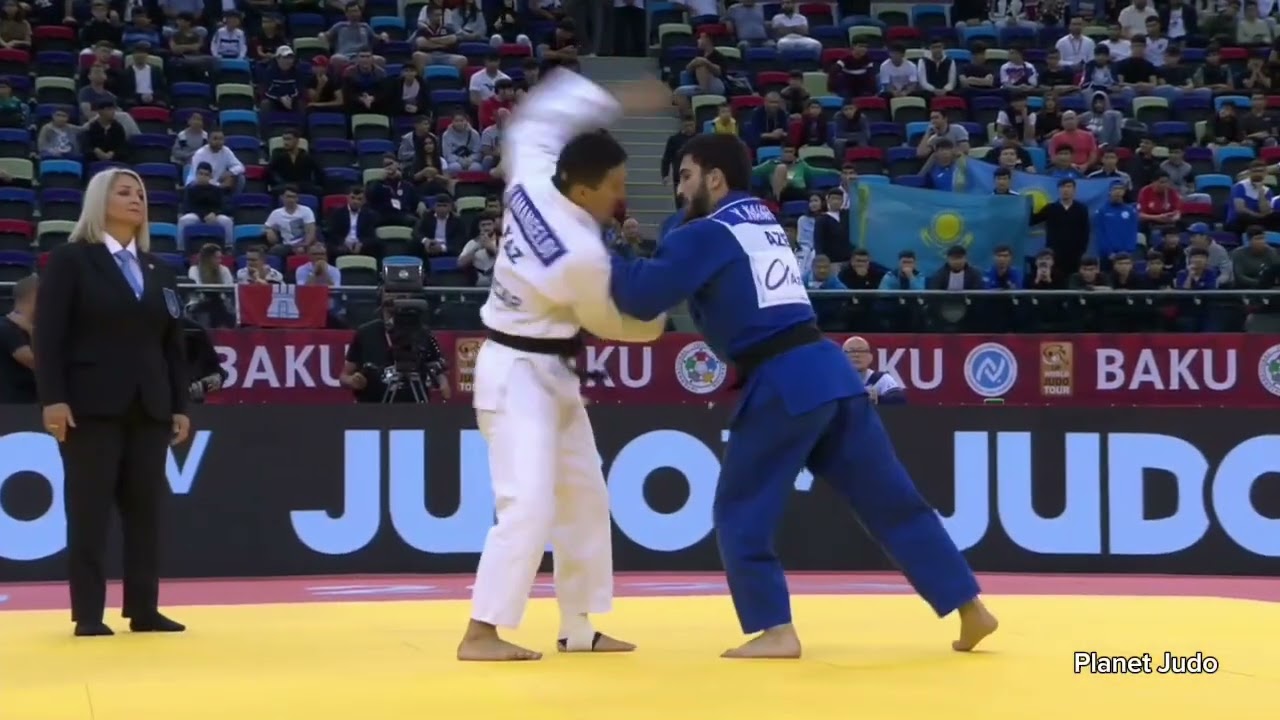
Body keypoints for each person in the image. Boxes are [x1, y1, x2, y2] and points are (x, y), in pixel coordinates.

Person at [608, 133, 997, 658]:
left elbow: (641, 295)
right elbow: (685, 237)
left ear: (714, 179)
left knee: (740, 510)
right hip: (831, 372)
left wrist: (596, 250)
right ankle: (970, 606)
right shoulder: (760, 219)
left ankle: (775, 629)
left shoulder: (707, 232)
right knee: (892, 502)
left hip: (782, 381)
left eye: (686, 177)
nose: (679, 191)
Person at [457, 69, 670, 662]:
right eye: (614, 187)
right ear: (581, 191)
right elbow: (610, 324)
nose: (620, 197)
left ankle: (578, 626)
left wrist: (615, 99)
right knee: (526, 503)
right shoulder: (579, 253)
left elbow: (539, 120)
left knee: (584, 496)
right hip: (515, 373)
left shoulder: (533, 174)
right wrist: (658, 322)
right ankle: (480, 632)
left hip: (551, 373)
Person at [34, 168, 191, 637]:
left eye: (140, 193)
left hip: (150, 407)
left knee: (145, 512)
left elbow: (173, 345)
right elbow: (49, 336)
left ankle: (144, 609)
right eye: (124, 192)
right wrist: (53, 399)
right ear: (100, 201)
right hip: (89, 406)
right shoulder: (71, 260)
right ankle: (88, 614)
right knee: (89, 512)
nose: (136, 199)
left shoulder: (159, 268)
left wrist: (180, 405)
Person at [0, 275, 37, 404]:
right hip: (14, 407)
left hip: (30, 405)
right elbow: (37, 364)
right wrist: (33, 331)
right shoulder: (8, 328)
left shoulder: (31, 328)